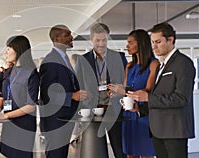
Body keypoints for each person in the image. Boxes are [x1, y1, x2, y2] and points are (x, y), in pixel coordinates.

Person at [127, 22, 195, 158]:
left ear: (171, 40)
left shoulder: (183, 63)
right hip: (158, 130)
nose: (154, 46)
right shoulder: (161, 65)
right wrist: (140, 109)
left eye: (158, 42)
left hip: (174, 131)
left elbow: (181, 98)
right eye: (152, 42)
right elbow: (159, 96)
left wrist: (148, 98)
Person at [75, 23, 127, 158]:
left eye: (104, 40)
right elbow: (77, 85)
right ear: (91, 39)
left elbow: (127, 82)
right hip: (92, 110)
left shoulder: (119, 57)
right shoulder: (82, 60)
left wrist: (120, 89)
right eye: (97, 40)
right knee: (95, 151)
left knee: (119, 149)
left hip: (114, 109)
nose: (101, 43)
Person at [39, 24, 90, 158]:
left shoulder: (64, 58)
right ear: (56, 39)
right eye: (67, 35)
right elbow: (46, 95)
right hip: (55, 120)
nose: (71, 37)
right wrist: (72, 96)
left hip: (65, 118)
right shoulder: (50, 61)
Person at [0, 35, 39, 158]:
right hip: (9, 122)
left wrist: (3, 115)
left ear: (19, 49)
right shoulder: (9, 71)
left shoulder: (31, 73)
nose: (6, 52)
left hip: (24, 125)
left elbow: (31, 106)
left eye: (9, 48)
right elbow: (3, 96)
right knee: (5, 154)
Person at [109, 29, 159, 158]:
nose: (127, 46)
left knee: (146, 153)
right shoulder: (129, 66)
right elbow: (126, 89)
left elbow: (147, 91)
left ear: (141, 43)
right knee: (130, 154)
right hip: (128, 114)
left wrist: (124, 90)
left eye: (130, 42)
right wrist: (116, 92)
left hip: (144, 114)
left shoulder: (154, 64)